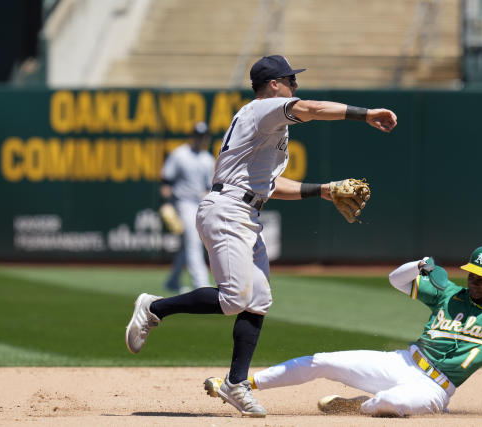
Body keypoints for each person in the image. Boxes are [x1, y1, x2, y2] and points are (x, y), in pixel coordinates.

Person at [125, 55, 397, 418]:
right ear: (273, 85)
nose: (295, 86)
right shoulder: (265, 109)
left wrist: (322, 190)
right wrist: (366, 114)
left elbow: (268, 186)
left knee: (259, 299)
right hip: (228, 210)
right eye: (290, 80)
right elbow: (313, 108)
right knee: (234, 298)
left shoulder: (269, 130)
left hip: (246, 211)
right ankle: (154, 307)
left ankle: (236, 383)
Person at [204, 245, 482, 418]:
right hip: (403, 362)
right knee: (321, 361)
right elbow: (396, 280)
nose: (472, 281)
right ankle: (242, 384)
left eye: (480, 279)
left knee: (390, 403)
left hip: (436, 388)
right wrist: (419, 266)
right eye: (470, 274)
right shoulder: (449, 294)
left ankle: (358, 406)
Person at [160, 121, 215, 293]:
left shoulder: (208, 159)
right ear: (192, 136)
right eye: (197, 136)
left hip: (202, 204)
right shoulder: (179, 154)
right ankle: (201, 284)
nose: (200, 140)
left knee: (189, 245)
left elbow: (210, 186)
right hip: (183, 203)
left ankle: (173, 281)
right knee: (193, 242)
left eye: (203, 137)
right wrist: (166, 204)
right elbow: (166, 181)